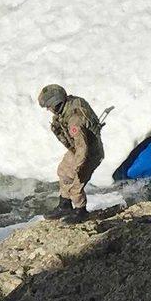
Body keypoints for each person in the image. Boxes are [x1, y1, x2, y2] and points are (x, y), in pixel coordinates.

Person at [38, 84, 104, 224]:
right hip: (77, 149)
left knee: (76, 182)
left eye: (49, 107)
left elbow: (82, 146)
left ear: (57, 103)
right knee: (63, 171)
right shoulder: (69, 105)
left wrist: (79, 166)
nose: (49, 110)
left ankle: (81, 210)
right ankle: (65, 205)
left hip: (88, 153)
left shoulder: (74, 120)